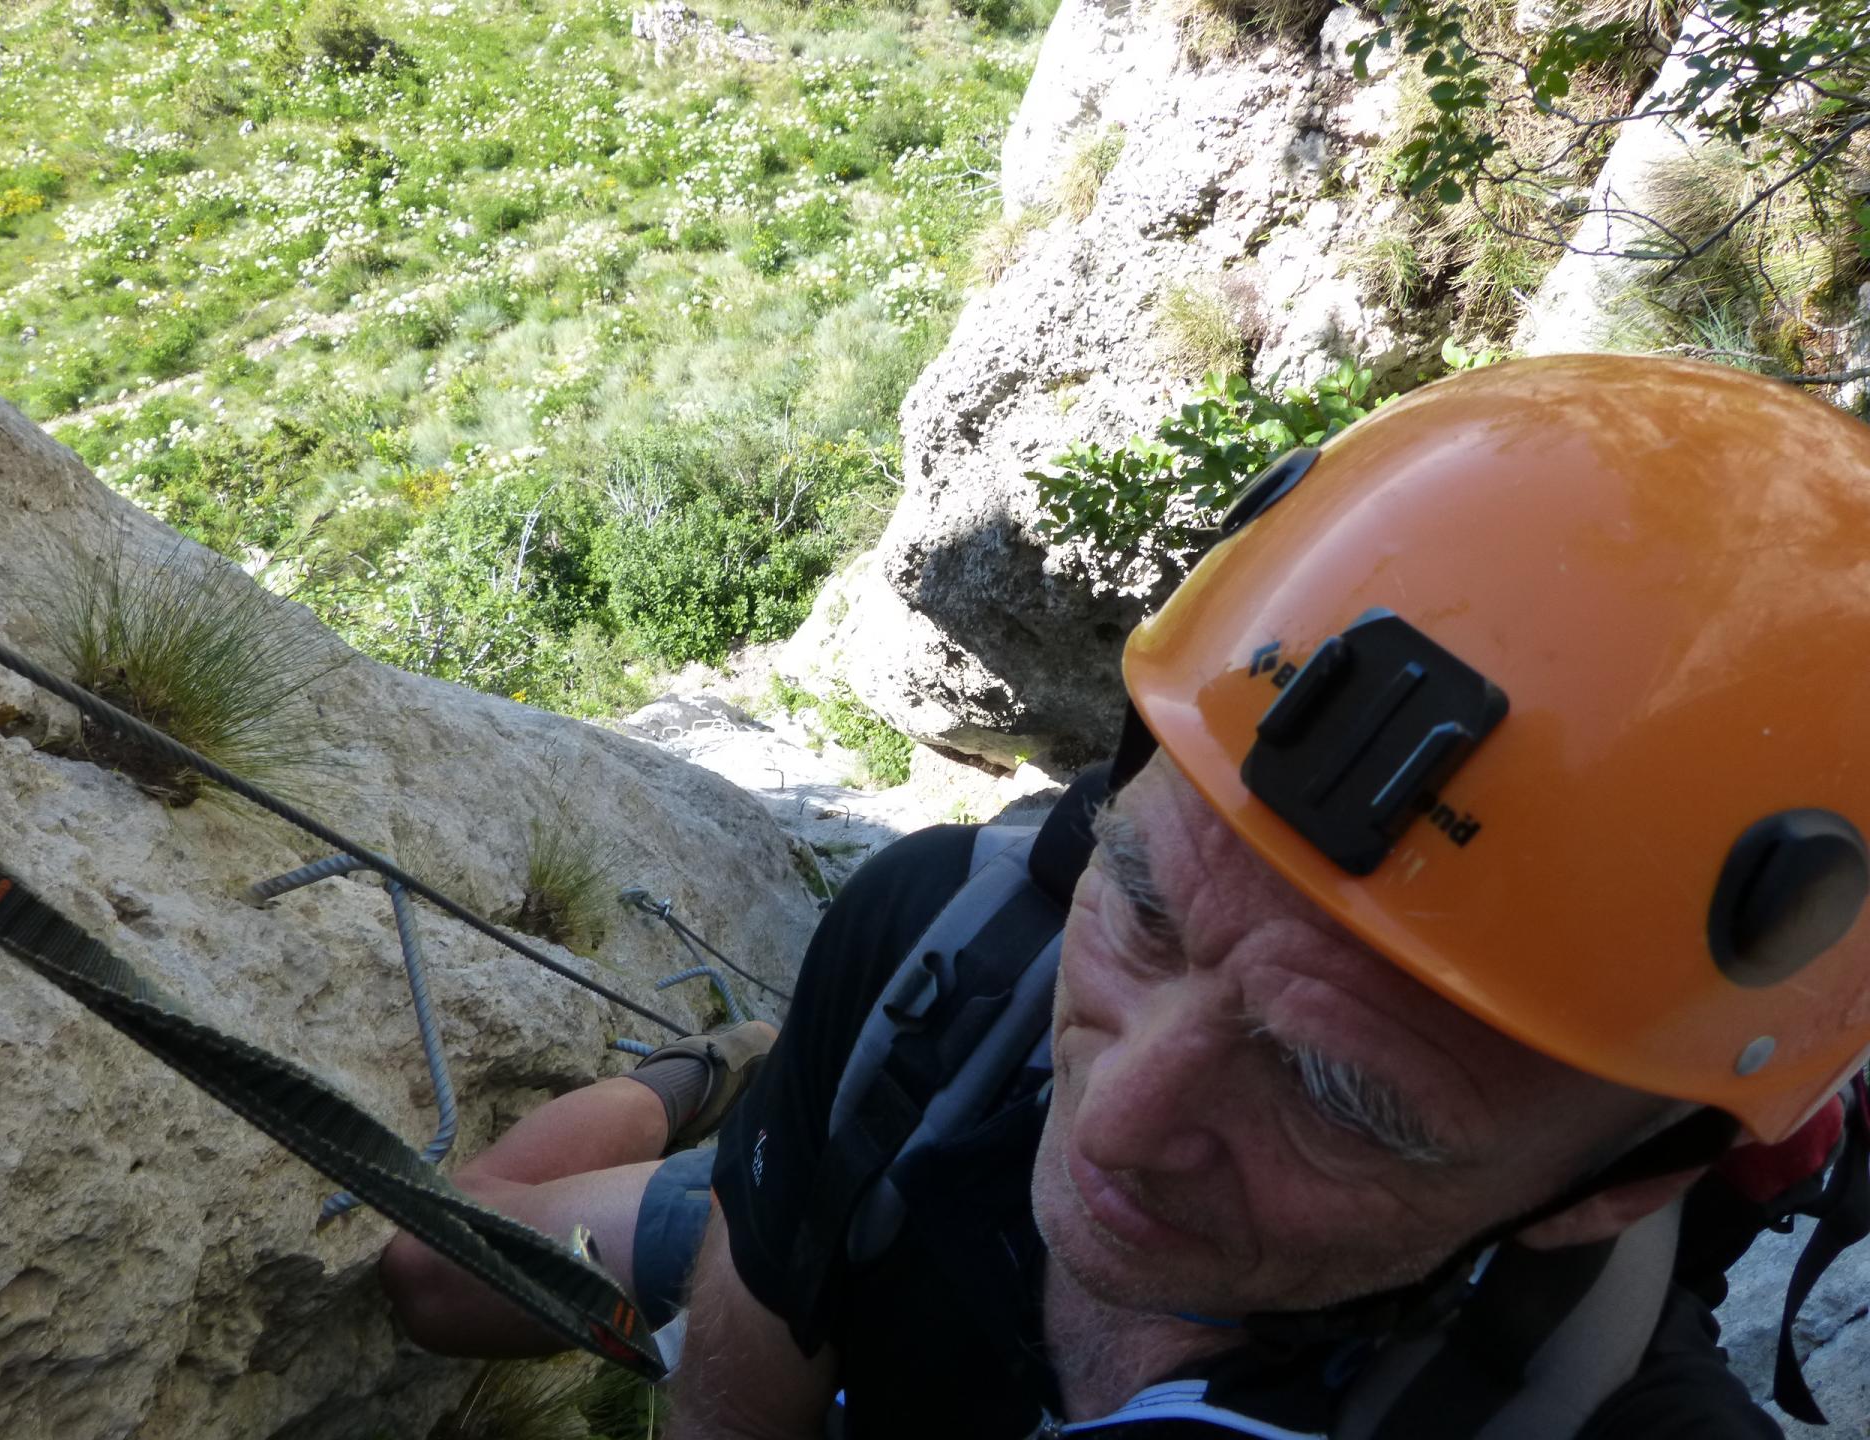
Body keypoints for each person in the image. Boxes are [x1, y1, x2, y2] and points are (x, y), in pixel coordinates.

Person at [382, 353, 1870, 1439]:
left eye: (1343, 1096)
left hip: (898, 1168)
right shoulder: (950, 953)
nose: (1117, 1120)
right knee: (425, 1266)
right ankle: (699, 1082)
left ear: (1620, 1186)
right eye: (1146, 908)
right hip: (904, 1148)